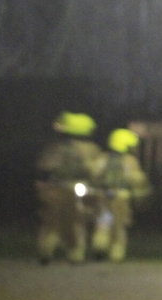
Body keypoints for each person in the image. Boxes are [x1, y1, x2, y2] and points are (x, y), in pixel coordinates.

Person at [34, 112, 103, 264]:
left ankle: (46, 250)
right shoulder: (92, 149)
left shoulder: (56, 147)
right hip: (79, 189)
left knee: (52, 222)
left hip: (55, 188)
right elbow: (97, 172)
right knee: (77, 222)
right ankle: (75, 254)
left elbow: (44, 166)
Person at [90, 128, 152, 262]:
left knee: (103, 223)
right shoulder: (131, 161)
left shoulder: (102, 158)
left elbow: (93, 175)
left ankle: (99, 246)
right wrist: (141, 197)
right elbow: (137, 180)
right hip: (121, 198)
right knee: (119, 227)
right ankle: (116, 254)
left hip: (103, 196)